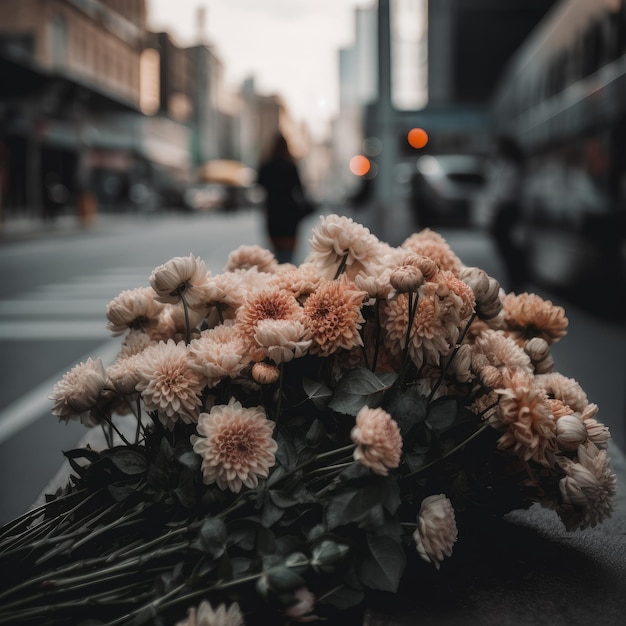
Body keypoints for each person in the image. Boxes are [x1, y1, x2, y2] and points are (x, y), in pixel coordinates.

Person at [257, 133, 309, 264]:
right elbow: (300, 190)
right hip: (290, 215)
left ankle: (279, 277)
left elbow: (259, 184)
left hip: (273, 213)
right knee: (289, 255)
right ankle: (288, 277)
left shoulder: (266, 166)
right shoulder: (291, 166)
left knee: (276, 253)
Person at [485, 136, 528, 293]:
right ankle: (516, 275)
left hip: (508, 208)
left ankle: (517, 275)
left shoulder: (511, 168)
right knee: (502, 241)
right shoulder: (501, 167)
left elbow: (505, 192)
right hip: (503, 207)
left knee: (504, 241)